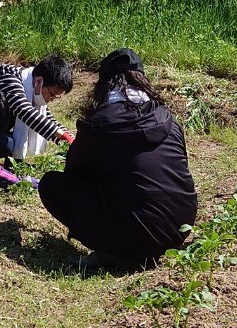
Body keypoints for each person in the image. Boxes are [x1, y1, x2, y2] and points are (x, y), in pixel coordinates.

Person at [38, 48, 198, 274]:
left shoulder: (101, 122)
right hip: (180, 227)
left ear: (103, 85)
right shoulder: (169, 120)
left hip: (137, 235)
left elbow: (74, 172)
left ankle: (113, 251)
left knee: (53, 185)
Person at [0, 53, 75, 162]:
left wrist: (72, 140)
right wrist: (64, 137)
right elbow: (25, 111)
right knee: (7, 144)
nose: (53, 99)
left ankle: (13, 163)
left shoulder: (28, 82)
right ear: (39, 81)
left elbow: (46, 118)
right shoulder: (10, 79)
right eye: (53, 93)